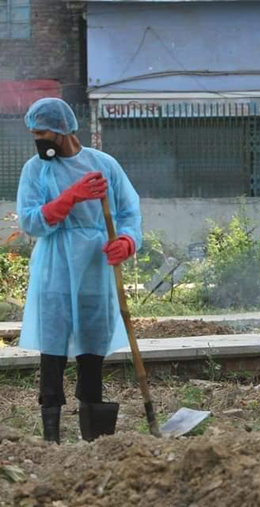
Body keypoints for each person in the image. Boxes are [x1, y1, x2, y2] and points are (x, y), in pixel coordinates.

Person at [17, 98, 142, 444]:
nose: (37, 140)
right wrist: (70, 196)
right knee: (53, 349)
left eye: (42, 133)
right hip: (55, 266)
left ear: (62, 130)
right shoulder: (35, 170)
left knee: (92, 347)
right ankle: (51, 438)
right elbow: (30, 221)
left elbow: (130, 212)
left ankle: (94, 437)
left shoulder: (104, 165)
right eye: (34, 133)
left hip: (95, 268)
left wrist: (127, 241)